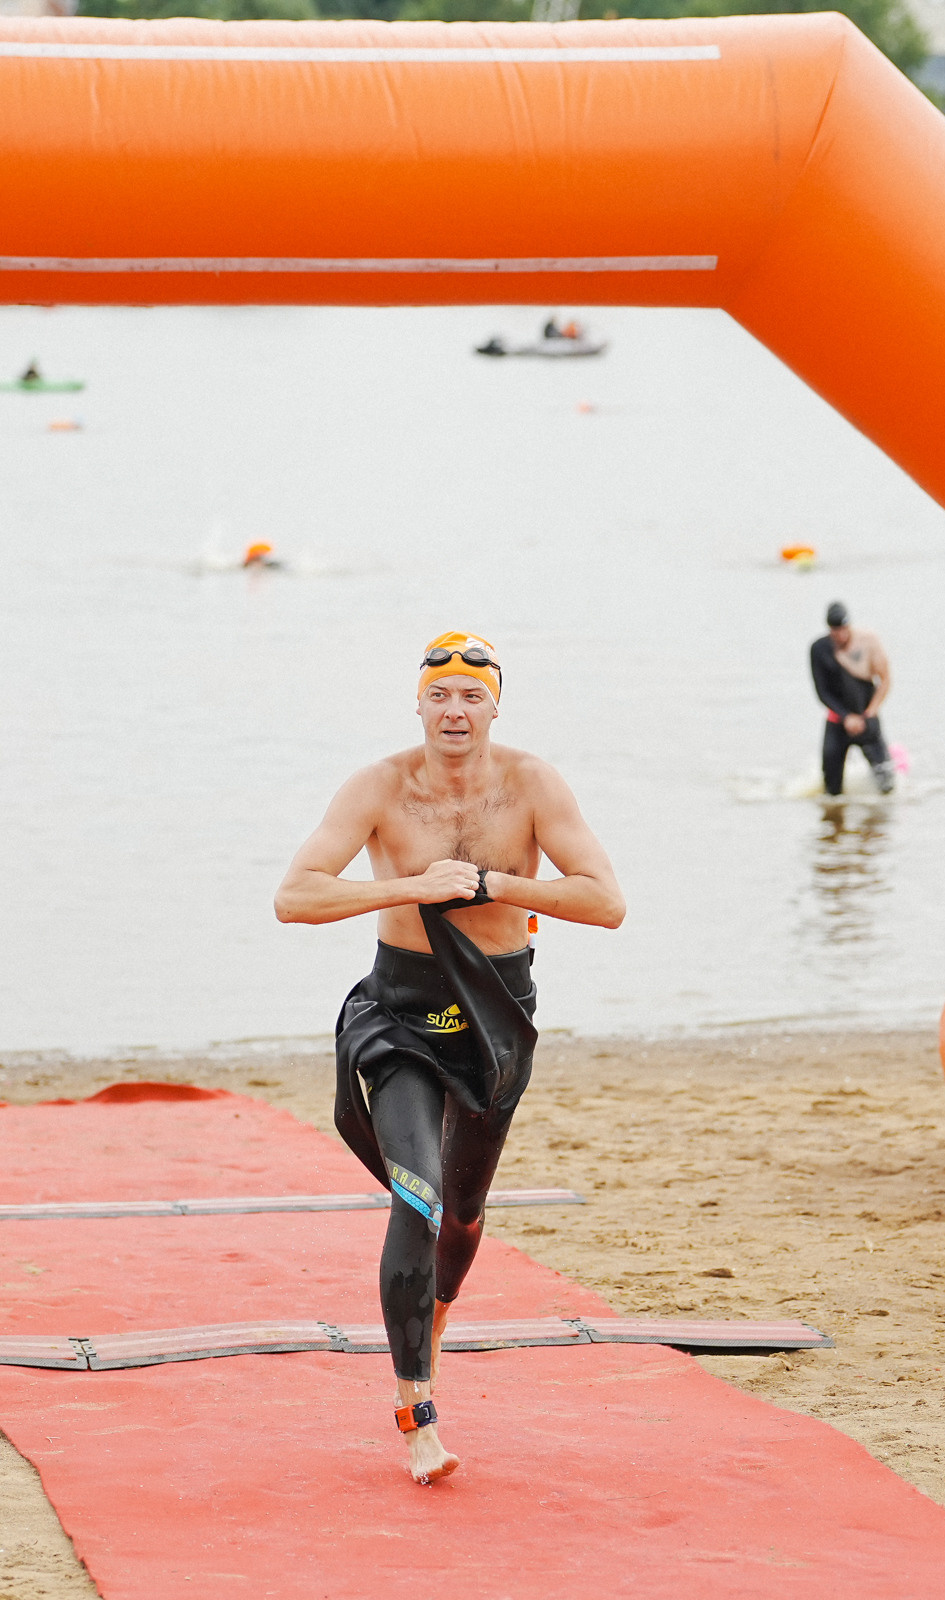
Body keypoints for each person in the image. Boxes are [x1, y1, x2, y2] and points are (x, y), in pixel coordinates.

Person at [275, 632, 624, 1486]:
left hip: (496, 1017)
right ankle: (415, 1408)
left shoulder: (533, 785)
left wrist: (495, 885)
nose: (455, 711)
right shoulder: (379, 787)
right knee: (419, 1197)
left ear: (495, 704)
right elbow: (295, 896)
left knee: (463, 1213)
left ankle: (430, 1326)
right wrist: (410, 885)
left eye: (471, 696)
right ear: (419, 705)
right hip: (399, 1014)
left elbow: (606, 902)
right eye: (440, 696)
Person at [809, 600, 894, 796]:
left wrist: (869, 713)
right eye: (835, 631)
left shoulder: (868, 641)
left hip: (866, 720)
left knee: (887, 786)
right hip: (837, 723)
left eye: (843, 629)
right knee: (832, 793)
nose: (840, 635)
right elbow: (822, 692)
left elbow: (886, 679)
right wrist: (846, 717)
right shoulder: (819, 649)